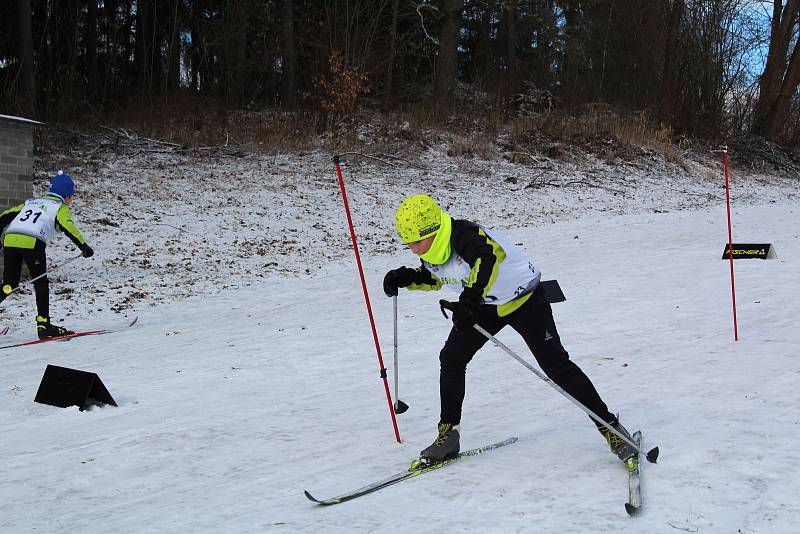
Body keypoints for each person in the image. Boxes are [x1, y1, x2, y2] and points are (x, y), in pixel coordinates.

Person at [383, 194, 636, 466]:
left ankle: (611, 429)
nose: (413, 249)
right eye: (407, 243)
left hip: (524, 300)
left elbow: (487, 260)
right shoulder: (432, 249)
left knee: (556, 366)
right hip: (485, 305)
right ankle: (449, 435)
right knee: (452, 358)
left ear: (432, 231)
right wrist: (408, 278)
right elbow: (439, 276)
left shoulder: (464, 236)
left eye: (416, 241)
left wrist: (469, 300)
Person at [0, 171, 94, 338]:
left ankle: (42, 321)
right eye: (71, 197)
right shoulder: (60, 207)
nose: (71, 201)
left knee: (9, 285)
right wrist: (83, 246)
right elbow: (67, 226)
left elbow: (5, 216)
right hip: (32, 241)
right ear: (66, 195)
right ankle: (44, 324)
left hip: (11, 238)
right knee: (41, 282)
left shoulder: (32, 202)